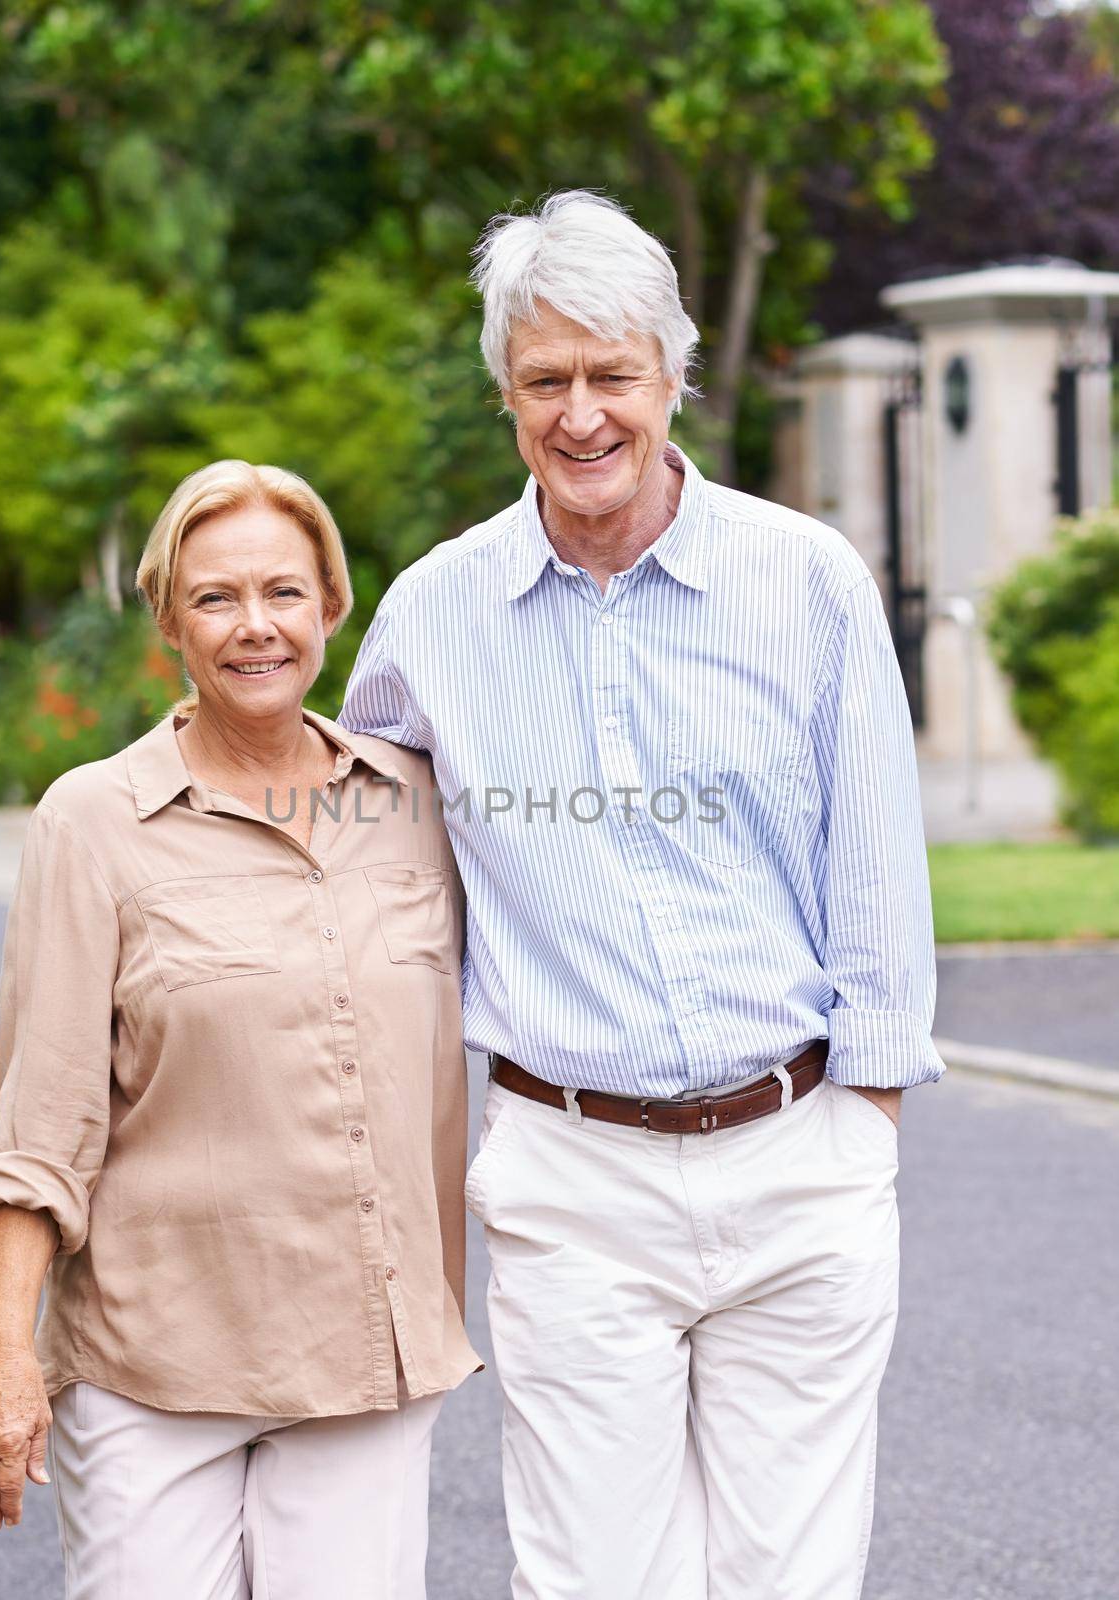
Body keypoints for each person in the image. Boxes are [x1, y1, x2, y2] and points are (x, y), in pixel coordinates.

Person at [340, 191, 945, 1600]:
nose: (582, 414)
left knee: (787, 1580)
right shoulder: (432, 615)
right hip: (571, 1172)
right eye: (545, 380)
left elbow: (875, 870)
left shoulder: (804, 582)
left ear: (673, 374)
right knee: (591, 1581)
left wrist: (860, 1128)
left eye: (613, 375)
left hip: (801, 1154)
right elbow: (354, 851)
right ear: (505, 393)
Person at [0, 459, 478, 1600]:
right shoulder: (93, 821)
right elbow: (39, 1125)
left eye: (285, 593)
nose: (257, 627)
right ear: (169, 624)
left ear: (333, 607)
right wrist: (4, 1354)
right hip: (152, 1366)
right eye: (216, 598)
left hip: (366, 1361)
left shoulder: (412, 802)